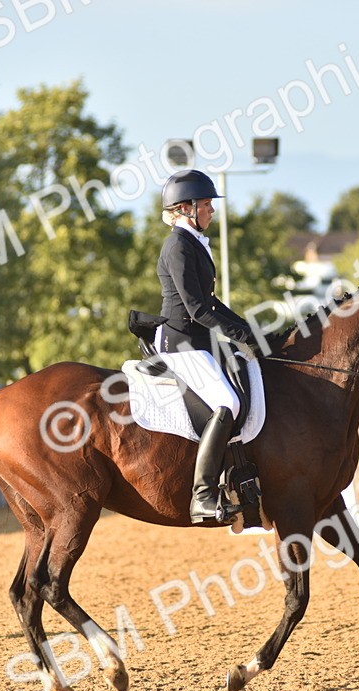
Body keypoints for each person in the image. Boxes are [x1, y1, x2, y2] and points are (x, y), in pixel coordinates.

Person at [154, 169, 258, 523]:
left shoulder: (193, 243)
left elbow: (212, 302)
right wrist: (241, 337)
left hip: (199, 340)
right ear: (186, 208)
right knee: (226, 402)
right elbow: (197, 309)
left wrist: (250, 331)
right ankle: (202, 496)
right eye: (207, 205)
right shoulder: (178, 246)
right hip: (181, 342)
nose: (212, 211)